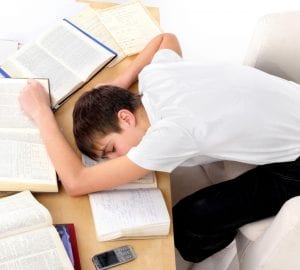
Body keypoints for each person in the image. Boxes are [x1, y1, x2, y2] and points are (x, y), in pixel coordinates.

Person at [19, 33, 300, 263]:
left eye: (111, 149)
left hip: (296, 164)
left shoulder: (168, 135)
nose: (117, 158)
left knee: (191, 218)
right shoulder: (156, 75)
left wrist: (42, 113)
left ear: (125, 117)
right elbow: (166, 39)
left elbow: (77, 182)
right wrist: (121, 81)